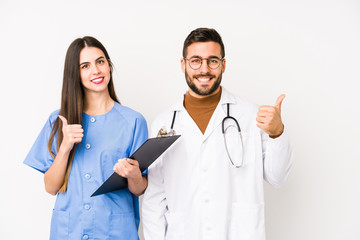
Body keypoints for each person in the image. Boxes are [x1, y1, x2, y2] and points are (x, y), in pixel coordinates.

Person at [142, 28, 293, 240]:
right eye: (196, 60)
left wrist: (277, 133)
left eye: (212, 61)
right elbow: (154, 197)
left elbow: (277, 178)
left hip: (238, 233)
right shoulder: (164, 123)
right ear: (183, 64)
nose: (204, 69)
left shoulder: (250, 115)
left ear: (223, 65)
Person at [24, 36, 148, 239]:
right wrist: (64, 147)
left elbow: (139, 189)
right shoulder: (58, 120)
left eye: (100, 62)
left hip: (115, 231)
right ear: (75, 74)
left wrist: (133, 175)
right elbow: (50, 187)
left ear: (109, 65)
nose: (96, 71)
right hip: (69, 230)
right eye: (85, 66)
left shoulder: (133, 121)